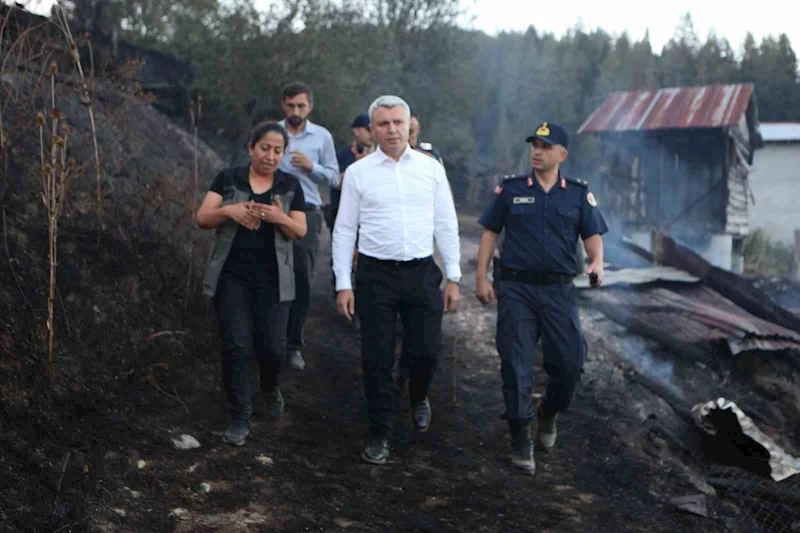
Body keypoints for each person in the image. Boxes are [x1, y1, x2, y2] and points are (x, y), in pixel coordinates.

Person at [333, 95, 462, 465]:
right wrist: (343, 283)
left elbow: (446, 223)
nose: (391, 129)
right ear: (372, 130)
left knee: (427, 350)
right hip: (375, 276)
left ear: (409, 125)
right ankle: (380, 433)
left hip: (421, 273)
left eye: (397, 122)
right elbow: (344, 230)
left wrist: (454, 275)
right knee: (376, 357)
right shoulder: (358, 173)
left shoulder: (431, 169)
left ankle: (418, 394)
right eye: (383, 124)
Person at [474, 121, 608, 475]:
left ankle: (549, 413)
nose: (537, 152)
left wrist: (596, 262)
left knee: (570, 365)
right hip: (516, 289)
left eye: (545, 147)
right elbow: (490, 232)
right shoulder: (512, 189)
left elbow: (592, 234)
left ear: (562, 154)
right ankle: (520, 437)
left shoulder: (577, 194)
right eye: (534, 145)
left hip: (559, 291)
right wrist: (481, 278)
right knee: (515, 364)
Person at [197, 121, 308, 446]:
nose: (270, 156)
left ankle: (270, 386)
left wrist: (279, 217)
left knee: (272, 349)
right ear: (251, 148)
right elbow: (202, 218)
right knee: (236, 346)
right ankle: (239, 418)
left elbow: (299, 231)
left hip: (274, 281)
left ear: (283, 154)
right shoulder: (228, 178)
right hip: (232, 278)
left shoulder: (290, 185)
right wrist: (229, 211)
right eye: (265, 148)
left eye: (278, 150)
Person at [278, 82, 340, 371]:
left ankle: (293, 345)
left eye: (301, 106)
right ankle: (268, 338)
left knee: (301, 279)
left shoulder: (322, 137)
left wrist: (311, 167)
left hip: (309, 212)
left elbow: (335, 177)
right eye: (291, 105)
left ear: (310, 107)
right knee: (269, 275)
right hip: (274, 210)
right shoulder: (273, 132)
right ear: (283, 105)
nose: (296, 111)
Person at [327, 114, 375, 300]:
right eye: (368, 129)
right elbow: (335, 182)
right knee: (343, 258)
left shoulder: (381, 157)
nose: (372, 134)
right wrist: (359, 164)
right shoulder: (341, 155)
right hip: (343, 215)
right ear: (356, 131)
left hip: (370, 219)